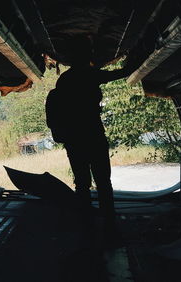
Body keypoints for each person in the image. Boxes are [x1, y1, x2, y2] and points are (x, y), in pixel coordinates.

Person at [46, 37, 138, 229]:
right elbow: (122, 73)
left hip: (73, 139)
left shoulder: (65, 79)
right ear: (87, 56)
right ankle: (109, 222)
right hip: (93, 135)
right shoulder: (91, 74)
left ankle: (85, 222)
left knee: (82, 182)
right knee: (103, 181)